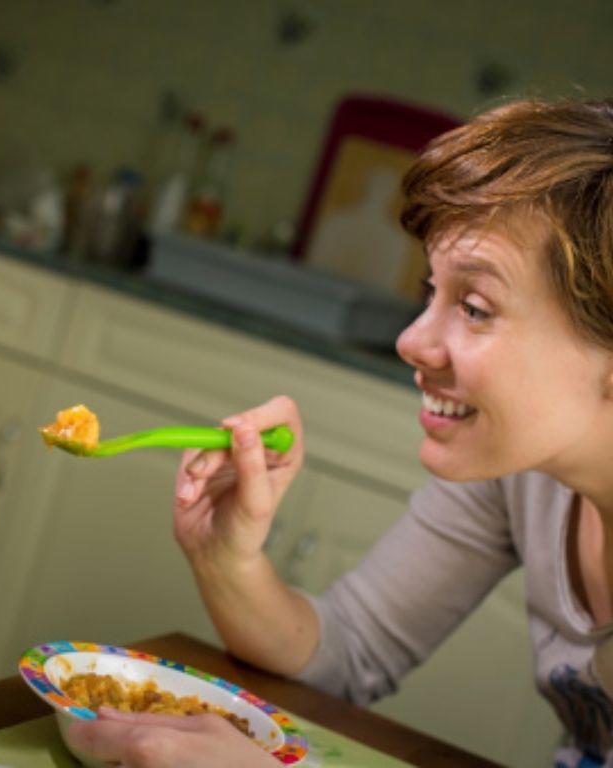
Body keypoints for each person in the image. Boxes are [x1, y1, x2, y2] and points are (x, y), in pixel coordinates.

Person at [68, 97, 613, 767]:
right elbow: (351, 651)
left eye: (474, 307)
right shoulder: (523, 476)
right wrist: (227, 560)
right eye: (430, 291)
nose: (411, 341)